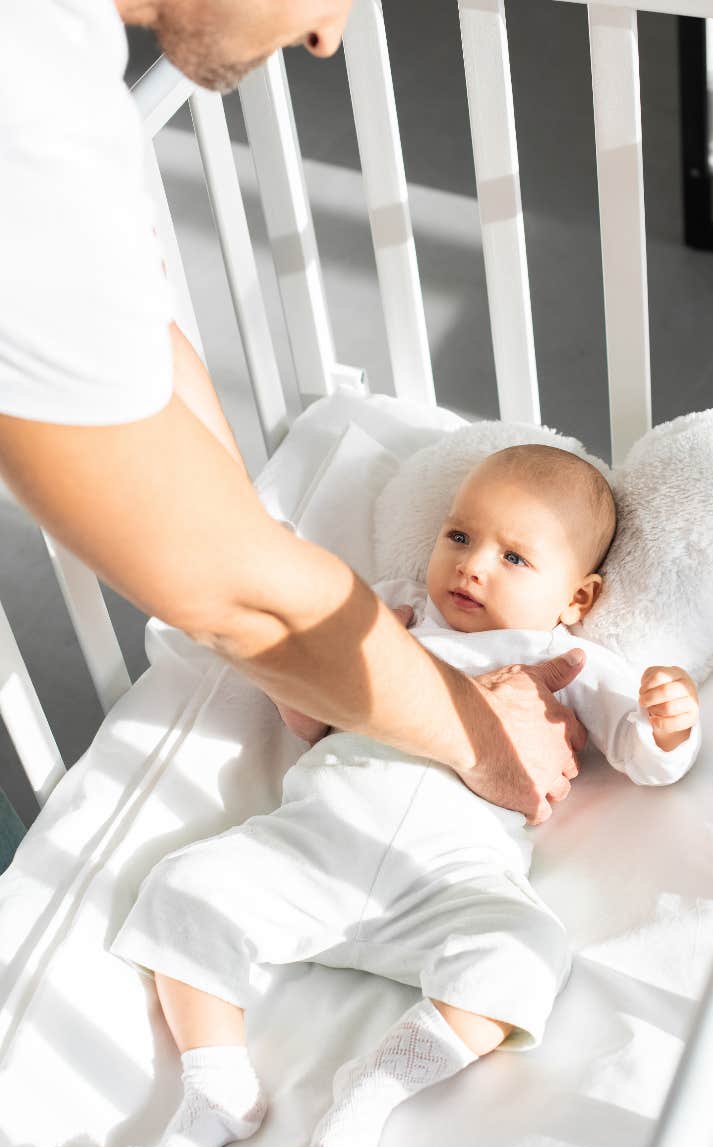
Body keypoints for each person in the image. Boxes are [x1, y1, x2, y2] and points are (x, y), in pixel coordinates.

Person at [0, 0, 588, 831]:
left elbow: (138, 340)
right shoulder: (21, 111)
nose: (327, 35)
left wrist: (253, 530)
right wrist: (484, 741)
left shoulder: (62, 75)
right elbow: (239, 598)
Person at [93, 445, 701, 1147]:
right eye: (459, 536)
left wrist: (669, 724)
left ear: (577, 599)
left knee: (528, 951)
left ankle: (380, 1083)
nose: (473, 566)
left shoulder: (567, 660)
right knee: (186, 885)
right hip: (312, 847)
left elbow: (644, 752)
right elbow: (310, 711)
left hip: (449, 881)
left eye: (514, 557)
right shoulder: (392, 618)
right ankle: (214, 1085)